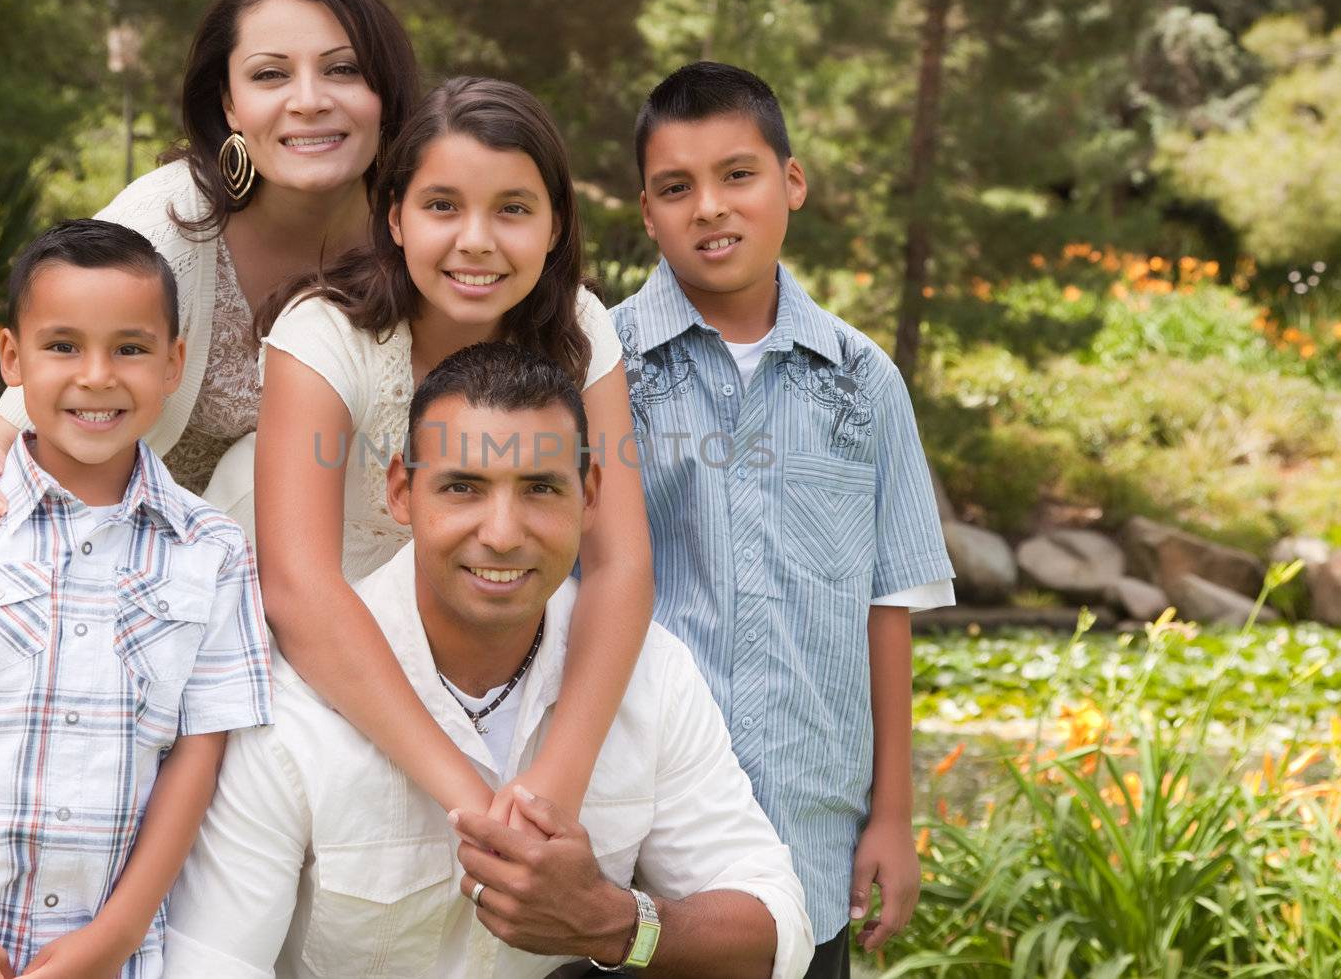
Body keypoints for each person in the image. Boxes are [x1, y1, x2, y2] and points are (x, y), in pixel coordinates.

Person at [161, 342, 813, 979]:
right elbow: (211, 961)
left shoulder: (652, 674)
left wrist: (613, 924)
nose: (502, 533)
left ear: (589, 495)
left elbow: (774, 928)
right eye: (464, 487)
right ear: (401, 492)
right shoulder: (287, 705)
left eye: (540, 489)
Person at [0, 220, 276, 979]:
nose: (97, 375)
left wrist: (117, 934)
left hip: (104, 956)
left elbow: (198, 756)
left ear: (173, 362)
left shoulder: (214, 550)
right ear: (13, 358)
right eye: (63, 345)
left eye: (130, 348)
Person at [228, 76, 652, 824]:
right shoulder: (323, 334)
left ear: (555, 226)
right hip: (310, 641)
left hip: (479, 631)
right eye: (442, 206)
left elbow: (619, 559)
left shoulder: (581, 326)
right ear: (394, 218)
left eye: (513, 209)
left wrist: (555, 778)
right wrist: (470, 792)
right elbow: (297, 588)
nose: (477, 240)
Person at [611, 61, 955, 977]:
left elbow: (888, 605)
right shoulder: (599, 366)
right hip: (644, 833)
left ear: (791, 183)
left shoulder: (862, 381)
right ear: (646, 212)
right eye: (676, 188)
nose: (710, 207)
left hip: (814, 829)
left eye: (738, 175)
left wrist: (891, 814)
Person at [0, 0, 418, 522]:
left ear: (383, 91)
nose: (310, 100)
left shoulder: (428, 228)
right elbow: (27, 413)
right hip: (131, 563)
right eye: (270, 74)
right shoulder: (164, 223)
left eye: (343, 69)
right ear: (229, 103)